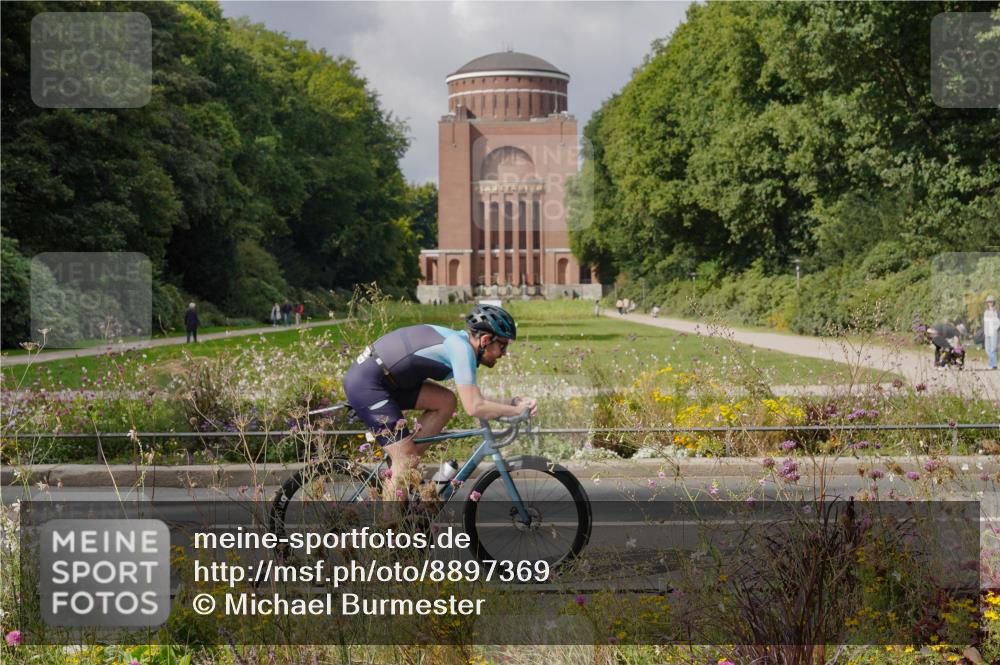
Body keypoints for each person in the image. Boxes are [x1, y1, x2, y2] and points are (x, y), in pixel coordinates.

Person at [343, 304, 536, 504]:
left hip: (387, 380)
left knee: (446, 402)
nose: (504, 353)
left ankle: (405, 477)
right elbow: (474, 407)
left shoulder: (462, 346)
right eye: (503, 346)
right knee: (406, 459)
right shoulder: (461, 349)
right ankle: (389, 521)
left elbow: (475, 398)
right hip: (368, 384)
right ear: (486, 340)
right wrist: (516, 411)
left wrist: (513, 403)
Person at [984, 295, 999, 370]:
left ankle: (992, 365)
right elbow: (985, 323)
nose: (990, 303)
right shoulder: (986, 312)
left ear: (993, 302)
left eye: (991, 301)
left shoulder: (996, 311)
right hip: (987, 333)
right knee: (987, 349)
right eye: (988, 302)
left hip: (994, 333)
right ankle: (994, 364)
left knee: (993, 349)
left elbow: (998, 323)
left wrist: (995, 329)